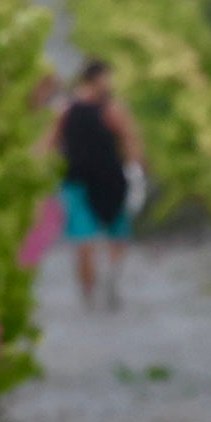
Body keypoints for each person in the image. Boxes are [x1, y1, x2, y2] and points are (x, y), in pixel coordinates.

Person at [44, 59, 144, 309]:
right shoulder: (84, 109)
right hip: (85, 181)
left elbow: (130, 140)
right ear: (96, 79)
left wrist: (134, 169)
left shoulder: (85, 109)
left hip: (102, 180)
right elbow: (131, 139)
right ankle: (95, 287)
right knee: (91, 239)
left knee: (104, 236)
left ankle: (102, 284)